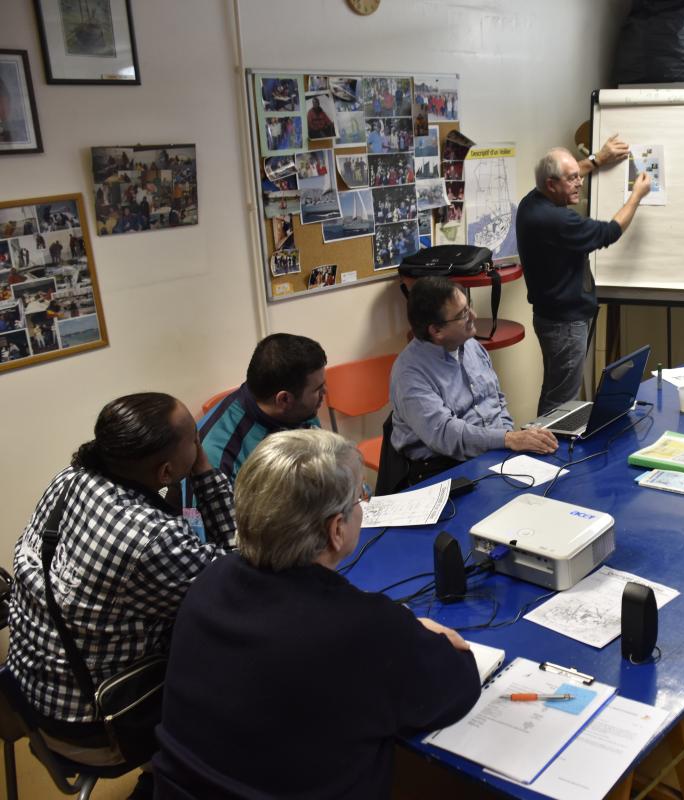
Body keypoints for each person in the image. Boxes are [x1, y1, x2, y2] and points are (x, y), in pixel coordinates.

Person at [153, 429, 480, 797]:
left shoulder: (210, 581)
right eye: (360, 497)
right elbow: (457, 690)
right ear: (336, 529)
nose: (363, 503)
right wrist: (437, 640)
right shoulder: (364, 629)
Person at [5, 393, 236, 782]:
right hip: (97, 727)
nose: (199, 442)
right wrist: (205, 473)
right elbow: (237, 576)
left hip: (27, 697)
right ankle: (181, 779)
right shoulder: (151, 539)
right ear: (165, 472)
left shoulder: (70, 478)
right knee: (238, 661)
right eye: (194, 438)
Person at [516, 136, 652, 415]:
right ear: (551, 184)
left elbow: (567, 173)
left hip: (553, 318)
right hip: (565, 325)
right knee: (561, 403)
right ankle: (548, 443)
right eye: (572, 179)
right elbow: (609, 232)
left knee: (555, 392)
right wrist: (636, 195)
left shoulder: (532, 201)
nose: (579, 182)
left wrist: (597, 160)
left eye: (579, 175)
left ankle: (543, 438)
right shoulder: (557, 220)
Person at [385, 277, 556, 490]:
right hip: (443, 469)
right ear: (436, 331)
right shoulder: (410, 374)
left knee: (555, 481)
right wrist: (507, 439)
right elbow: (446, 435)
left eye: (469, 307)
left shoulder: (472, 346)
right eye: (463, 314)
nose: (473, 315)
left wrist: (509, 444)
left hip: (492, 453)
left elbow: (497, 401)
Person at [198, 332, 326, 483]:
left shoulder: (299, 411)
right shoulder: (216, 457)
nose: (325, 392)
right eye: (318, 389)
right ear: (284, 399)